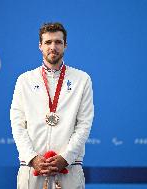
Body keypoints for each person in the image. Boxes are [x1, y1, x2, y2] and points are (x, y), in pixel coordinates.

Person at [10, 22, 94, 189]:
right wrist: (33, 158)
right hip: (32, 169)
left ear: (65, 45)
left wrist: (66, 157)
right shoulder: (24, 80)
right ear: (40, 46)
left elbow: (84, 124)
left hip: (69, 168)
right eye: (48, 42)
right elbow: (18, 125)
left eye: (58, 42)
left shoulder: (81, 79)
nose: (53, 47)